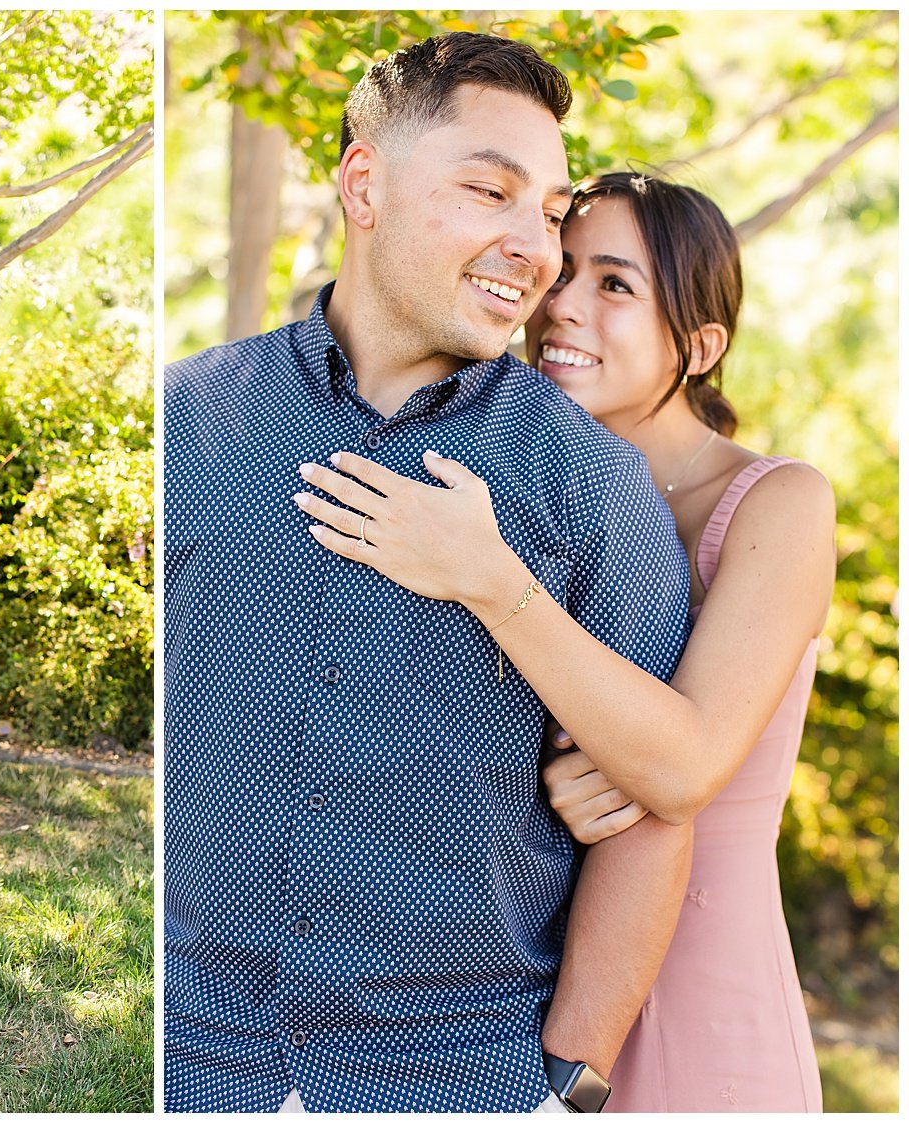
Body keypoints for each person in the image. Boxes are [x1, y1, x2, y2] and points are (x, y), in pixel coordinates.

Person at [165, 34, 695, 1112]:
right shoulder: (186, 420)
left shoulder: (593, 484)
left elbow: (651, 807)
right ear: (365, 184)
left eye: (548, 212)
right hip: (190, 1061)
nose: (532, 248)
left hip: (458, 1077)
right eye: (489, 192)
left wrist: (572, 1083)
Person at [298, 172, 832, 1110]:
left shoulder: (777, 506)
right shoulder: (510, 488)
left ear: (699, 344)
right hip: (515, 998)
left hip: (702, 993)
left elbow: (684, 764)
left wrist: (494, 584)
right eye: (564, 271)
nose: (562, 307)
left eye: (614, 286)